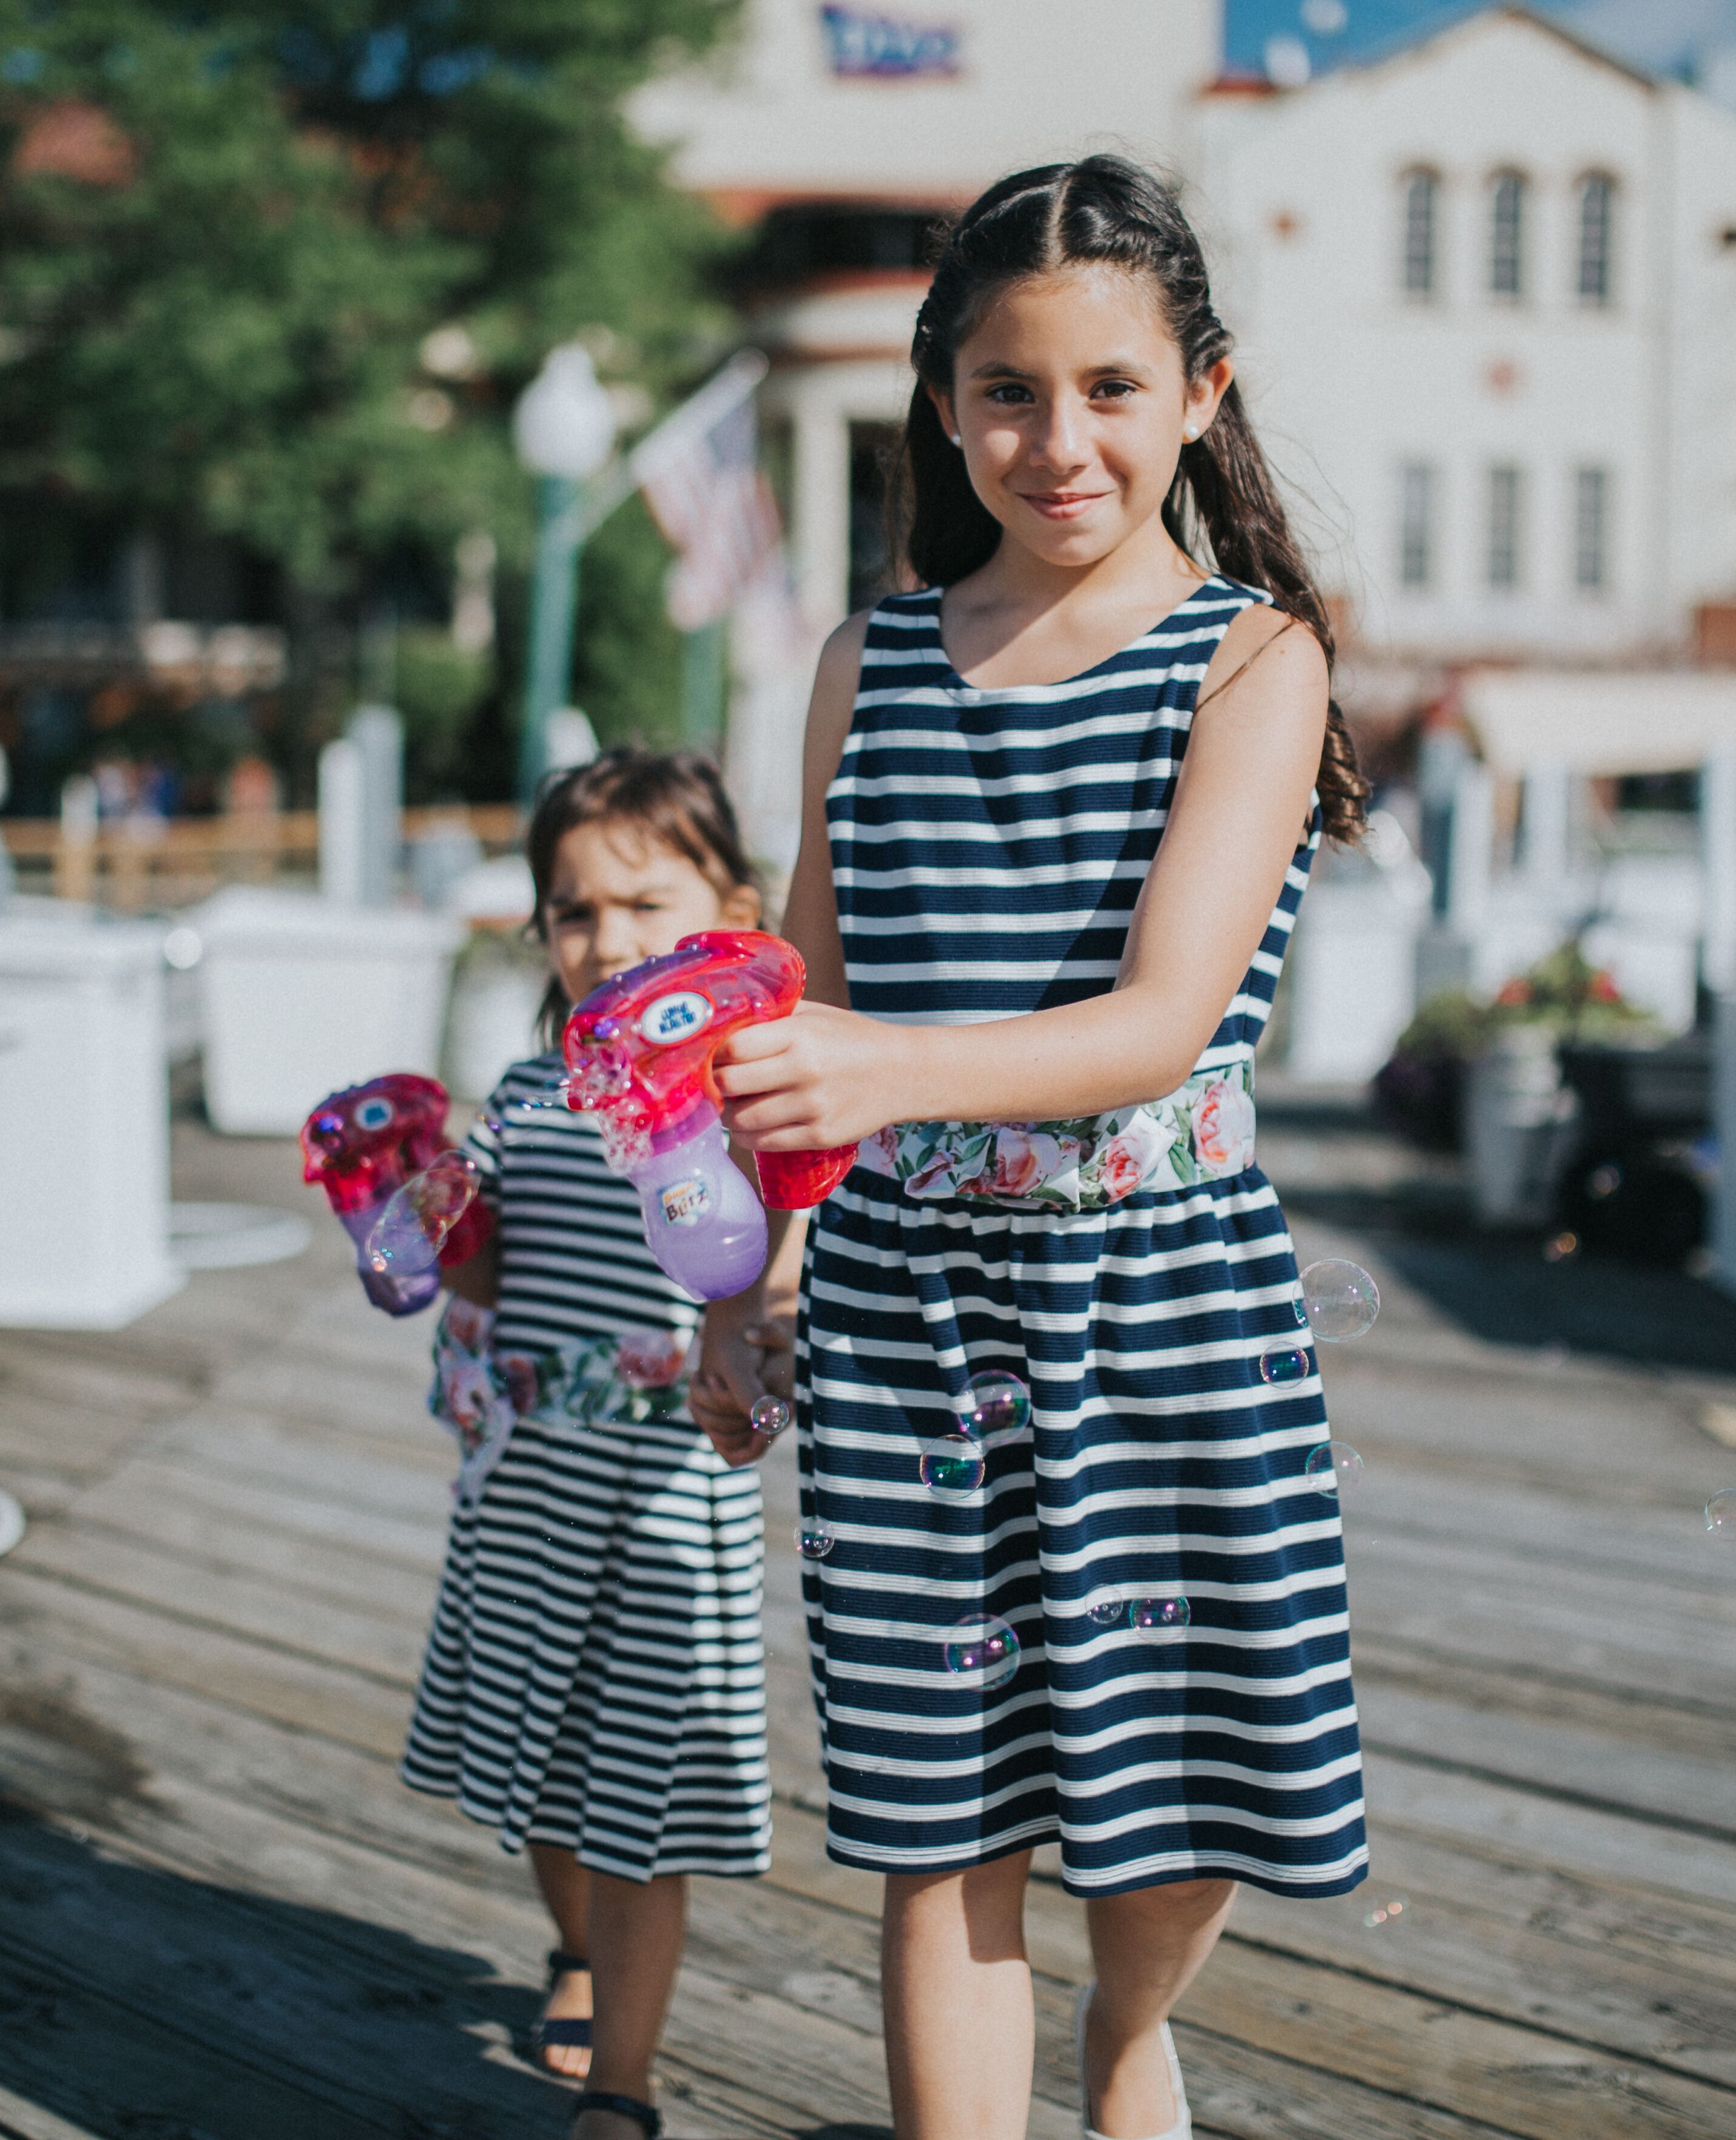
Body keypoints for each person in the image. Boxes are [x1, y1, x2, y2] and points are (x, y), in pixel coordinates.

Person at [692, 156, 1373, 2140]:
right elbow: (793, 1004)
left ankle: (1134, 2026)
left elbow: (1162, 1022)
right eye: (1006, 391)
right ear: (943, 398)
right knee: (940, 1816)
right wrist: (746, 1281)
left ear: (1202, 399)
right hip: (911, 1322)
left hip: (1162, 1302)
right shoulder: (867, 663)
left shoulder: (1255, 659)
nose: (1056, 441)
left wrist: (879, 1075)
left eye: (1108, 391)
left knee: (1181, 1787)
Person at [401, 748, 777, 2140]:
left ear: (733, 909)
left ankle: (626, 2080)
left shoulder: (753, 1095)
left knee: (642, 1803)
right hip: (529, 1495)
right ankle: (570, 1950)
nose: (608, 940)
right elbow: (478, 1270)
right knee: (542, 1776)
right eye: (573, 912)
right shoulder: (526, 1085)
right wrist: (402, 1203)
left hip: (669, 1501)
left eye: (643, 903)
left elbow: (776, 1274)